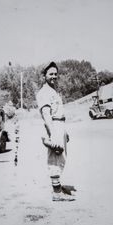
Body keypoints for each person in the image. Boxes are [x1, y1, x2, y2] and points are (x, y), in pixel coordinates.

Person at [36, 62, 76, 201]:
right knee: (55, 157)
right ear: (44, 76)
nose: (54, 76)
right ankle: (57, 192)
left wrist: (64, 132)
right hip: (53, 125)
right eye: (50, 74)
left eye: (55, 73)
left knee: (61, 157)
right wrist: (54, 135)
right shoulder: (44, 92)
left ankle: (58, 186)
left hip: (59, 124)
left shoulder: (53, 91)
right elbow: (47, 115)